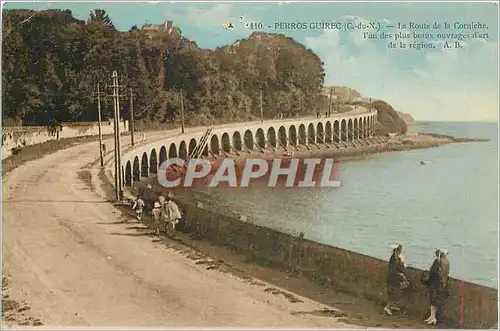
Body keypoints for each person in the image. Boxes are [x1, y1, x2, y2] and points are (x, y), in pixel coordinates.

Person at [424, 248, 450, 325]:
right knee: (436, 301)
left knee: (433, 300)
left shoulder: (437, 261)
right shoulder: (447, 262)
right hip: (443, 284)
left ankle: (433, 317)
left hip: (435, 283)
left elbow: (433, 272)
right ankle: (432, 317)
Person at [384, 244, 409, 315]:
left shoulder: (396, 258)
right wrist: (400, 274)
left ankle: (393, 305)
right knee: (393, 293)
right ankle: (388, 307)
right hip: (393, 278)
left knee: (396, 292)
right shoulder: (394, 258)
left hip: (394, 278)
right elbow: (393, 269)